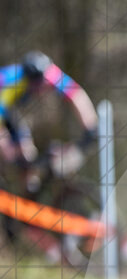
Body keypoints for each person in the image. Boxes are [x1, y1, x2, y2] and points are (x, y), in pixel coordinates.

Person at [0, 51, 99, 254]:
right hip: (3, 110)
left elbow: (76, 96)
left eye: (42, 84)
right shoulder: (10, 81)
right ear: (28, 79)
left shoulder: (50, 73)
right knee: (13, 152)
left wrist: (90, 129)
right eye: (36, 85)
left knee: (27, 154)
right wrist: (7, 148)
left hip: (9, 112)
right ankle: (13, 207)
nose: (40, 89)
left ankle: (25, 198)